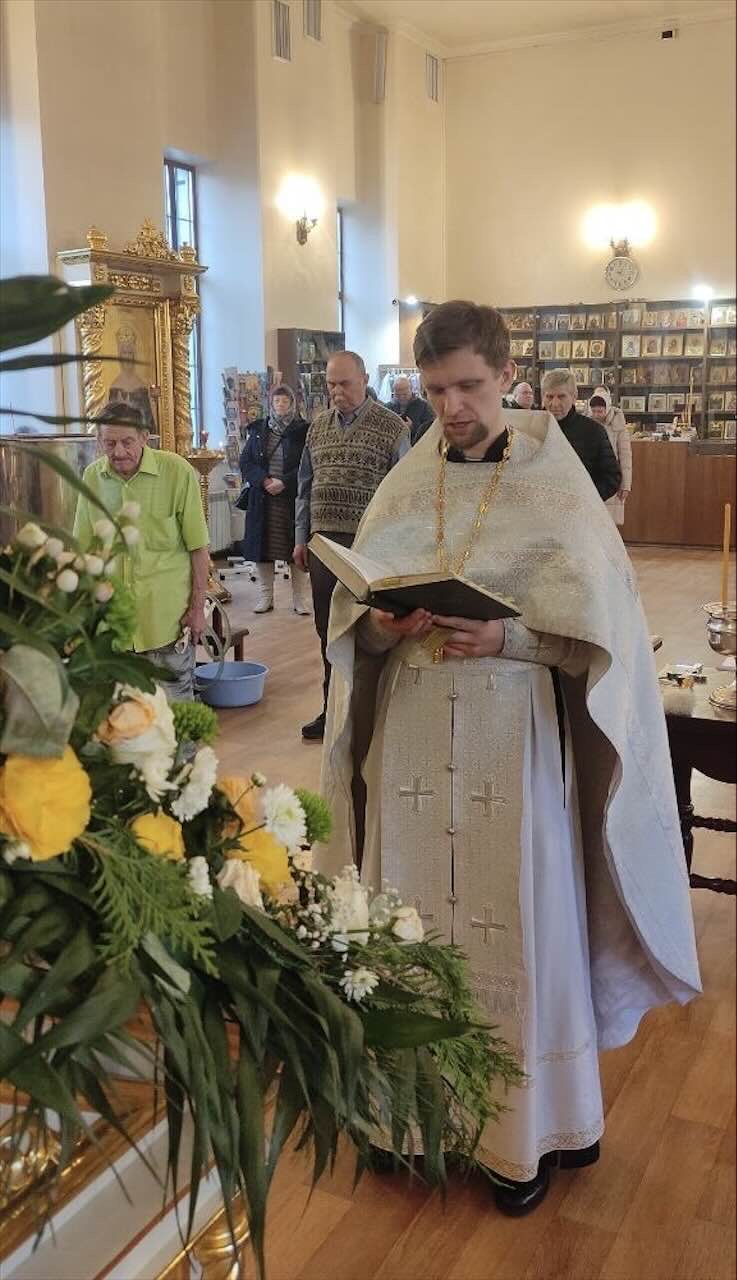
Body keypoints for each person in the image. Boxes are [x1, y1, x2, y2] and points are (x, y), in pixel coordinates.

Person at [318, 301, 700, 1215]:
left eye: (468, 387)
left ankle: (516, 1139)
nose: (451, 407)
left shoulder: (556, 487)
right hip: (410, 739)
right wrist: (378, 625)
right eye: (434, 390)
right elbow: (353, 625)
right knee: (407, 924)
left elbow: (601, 639)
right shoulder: (404, 485)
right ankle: (403, 1119)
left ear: (507, 376)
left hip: (511, 741)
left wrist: (510, 637)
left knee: (516, 924)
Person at [293, 351, 410, 741]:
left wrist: (395, 550)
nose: (336, 391)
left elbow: (403, 495)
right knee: (328, 630)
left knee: (371, 630)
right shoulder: (317, 428)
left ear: (364, 380)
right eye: (331, 384)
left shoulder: (391, 427)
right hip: (323, 546)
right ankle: (333, 711)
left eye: (344, 383)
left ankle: (372, 713)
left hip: (370, 549)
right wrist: (300, 539)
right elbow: (304, 488)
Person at [74, 402, 210, 700]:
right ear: (98, 441)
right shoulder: (92, 478)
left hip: (166, 623)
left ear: (144, 437)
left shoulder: (177, 472)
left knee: (175, 715)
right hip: (112, 625)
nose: (119, 452)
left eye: (127, 442)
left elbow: (199, 548)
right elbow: (83, 552)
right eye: (109, 443)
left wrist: (197, 609)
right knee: (120, 718)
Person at [238, 384, 310, 614]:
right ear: (271, 404)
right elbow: (246, 462)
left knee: (295, 548)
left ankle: (299, 599)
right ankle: (266, 597)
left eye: (285, 401)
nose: (280, 405)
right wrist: (264, 480)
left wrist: (285, 482)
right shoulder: (259, 430)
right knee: (263, 550)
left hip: (291, 499)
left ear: (292, 404)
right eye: (277, 401)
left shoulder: (303, 431)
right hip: (264, 500)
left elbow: (308, 464)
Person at [541, 369, 620, 500]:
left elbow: (612, 478)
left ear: (574, 397)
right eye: (549, 397)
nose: (555, 403)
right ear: (542, 397)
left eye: (561, 396)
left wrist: (584, 500)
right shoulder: (532, 428)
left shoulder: (594, 431)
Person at [587, 387, 632, 527]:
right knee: (591, 522)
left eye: (600, 411)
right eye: (593, 411)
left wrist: (626, 484)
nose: (596, 415)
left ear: (607, 409)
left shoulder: (618, 426)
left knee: (609, 524)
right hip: (591, 477)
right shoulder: (586, 423)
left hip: (612, 478)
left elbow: (625, 456)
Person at [107, 321, 155, 429]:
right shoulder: (115, 387)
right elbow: (111, 423)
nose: (127, 357)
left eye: (129, 353)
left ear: (134, 355)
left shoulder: (142, 386)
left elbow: (149, 423)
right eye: (124, 353)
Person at [386, 374, 435, 445]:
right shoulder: (388, 407)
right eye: (398, 395)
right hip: (394, 447)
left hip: (416, 446)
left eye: (404, 394)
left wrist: (412, 427)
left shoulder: (424, 406)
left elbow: (431, 431)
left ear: (411, 389)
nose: (401, 397)